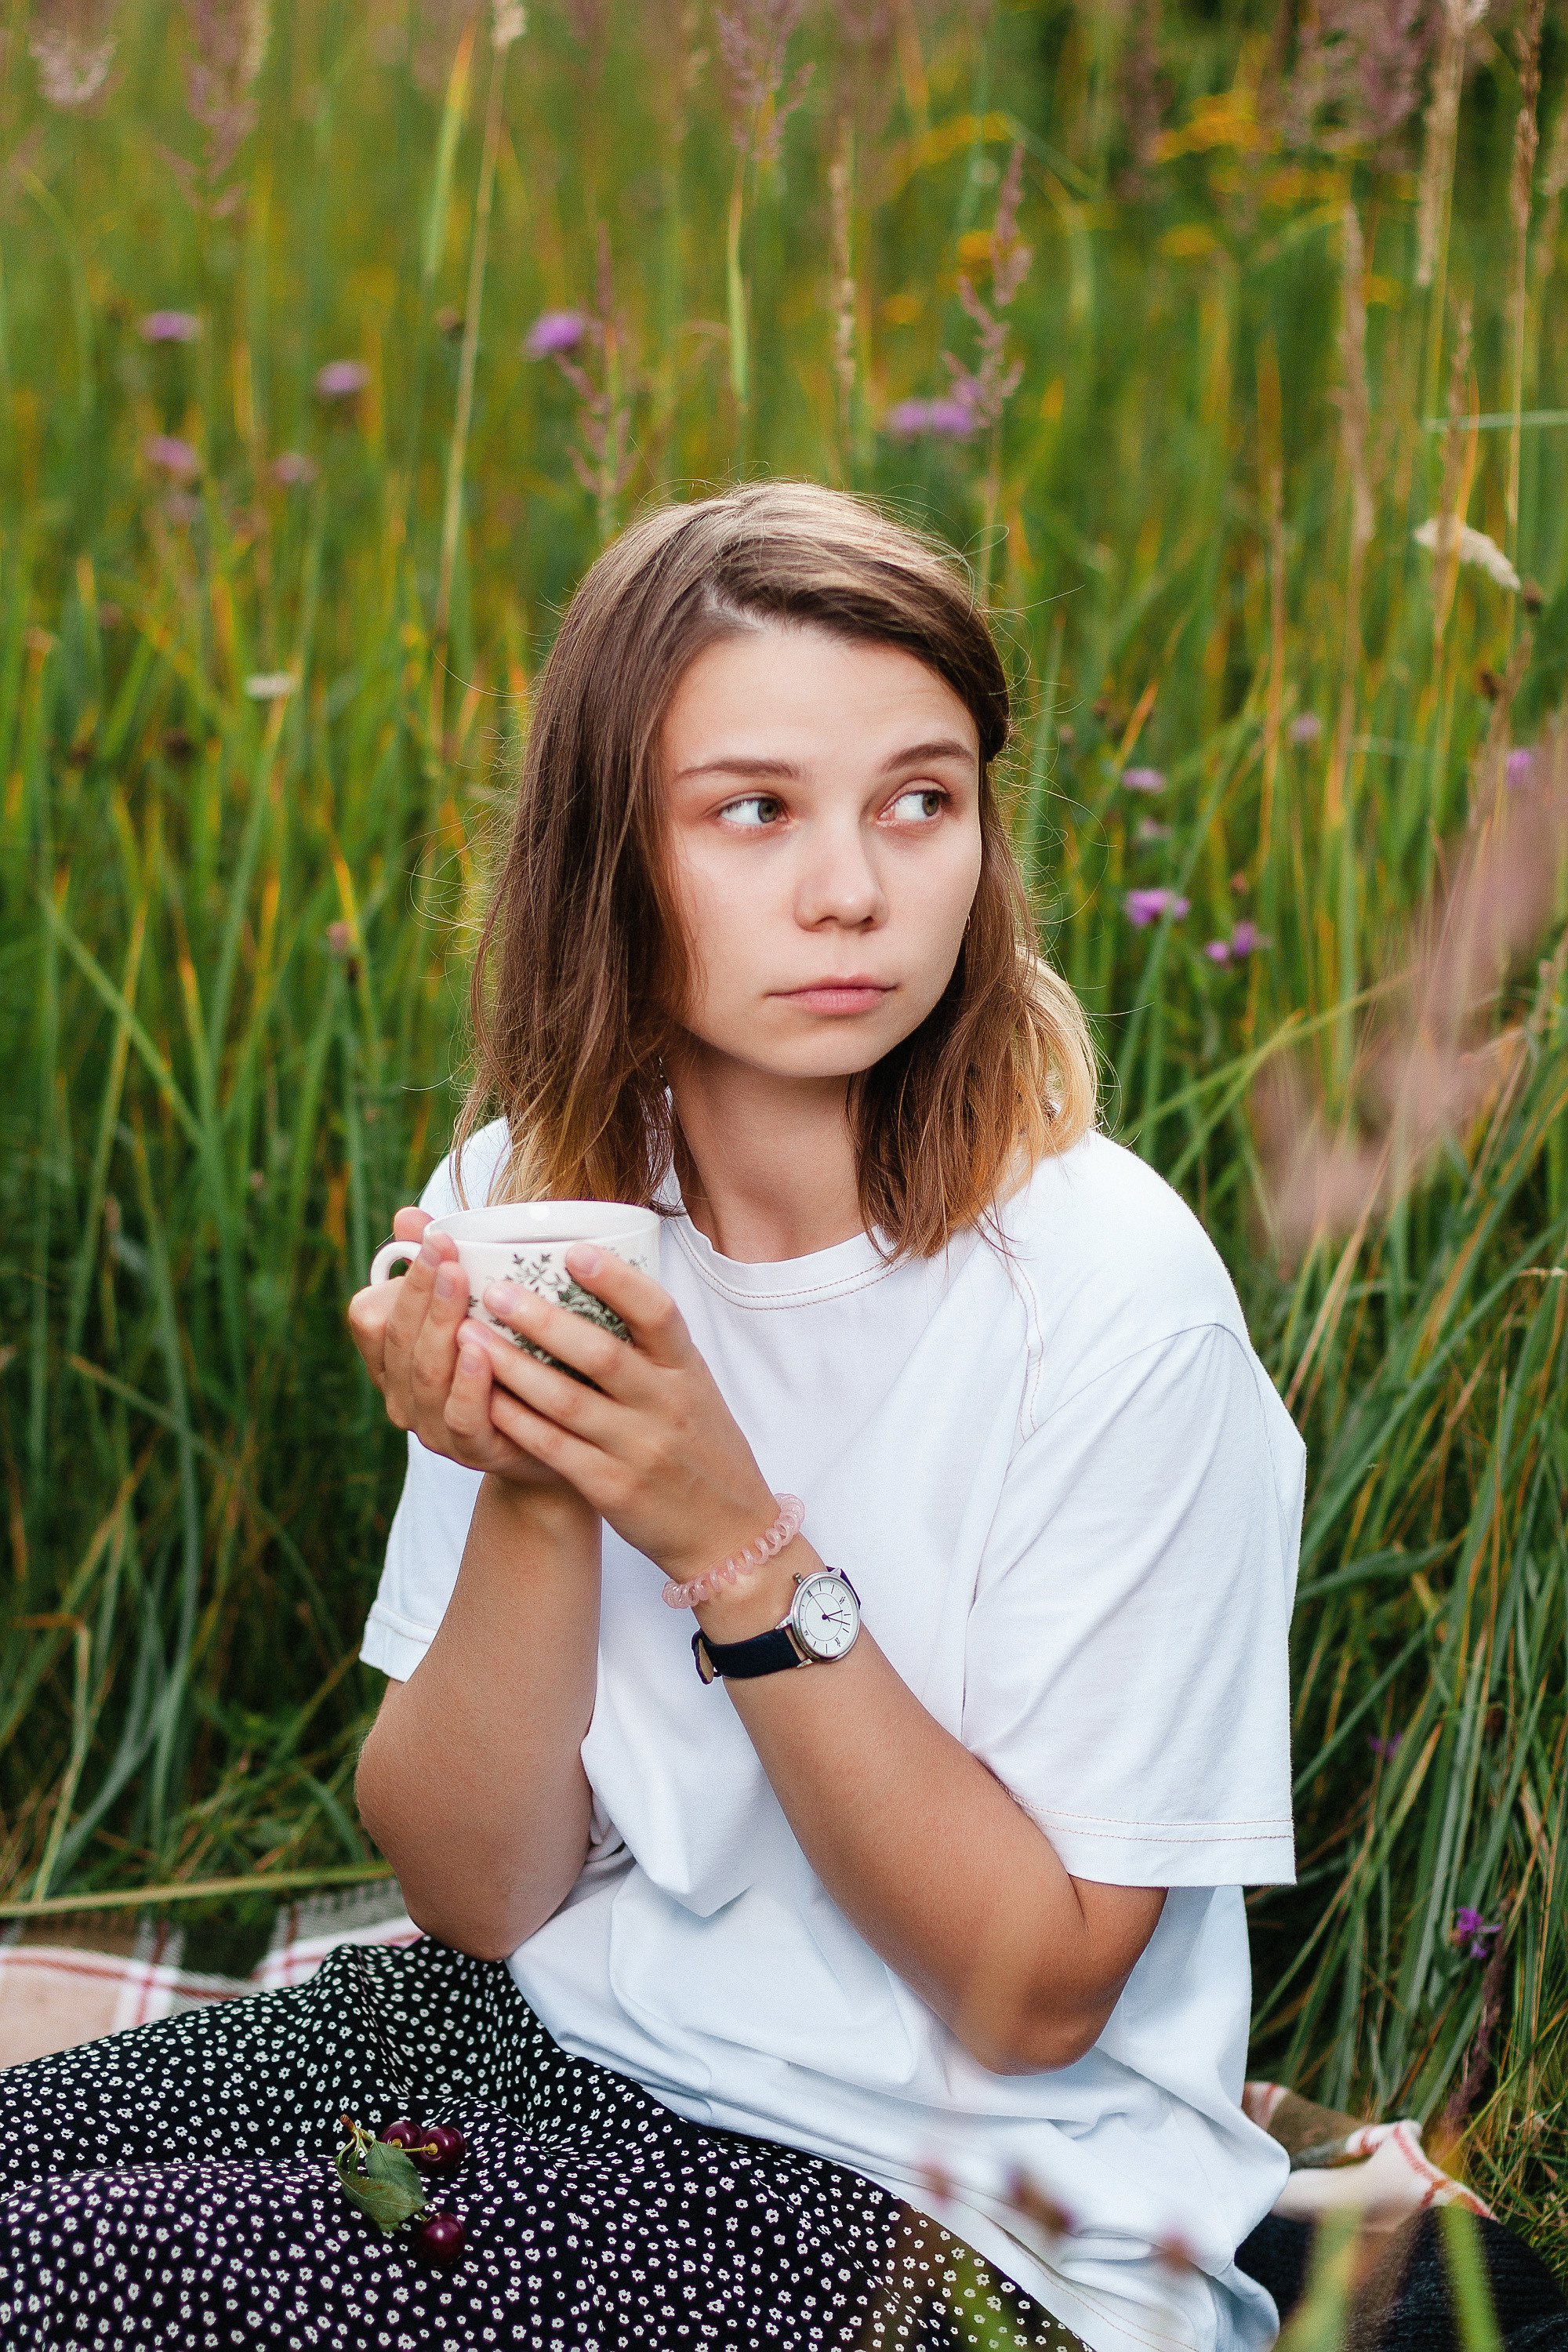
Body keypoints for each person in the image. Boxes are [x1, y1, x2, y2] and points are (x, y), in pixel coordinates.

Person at [0, 482, 1305, 2352]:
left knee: (56, 2286)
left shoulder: (1108, 1294)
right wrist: (529, 1476)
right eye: (753, 811)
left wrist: (728, 1543)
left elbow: (1033, 1997)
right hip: (559, 2034)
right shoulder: (539, 1205)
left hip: (953, 2217)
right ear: (608, 855)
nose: (852, 888)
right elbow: (477, 1892)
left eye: (918, 801)